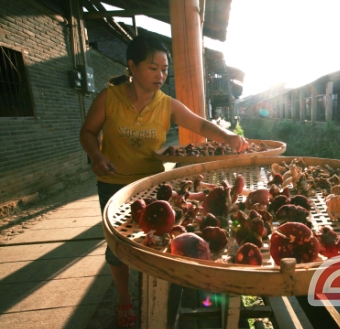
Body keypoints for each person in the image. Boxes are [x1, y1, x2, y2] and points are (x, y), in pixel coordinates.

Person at [79, 34, 248, 328]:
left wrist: (229, 136)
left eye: (165, 68)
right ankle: (124, 299)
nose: (161, 75)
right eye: (153, 68)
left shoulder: (166, 104)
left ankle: (158, 296)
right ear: (131, 66)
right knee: (117, 248)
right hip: (113, 185)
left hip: (151, 185)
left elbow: (200, 123)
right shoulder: (109, 98)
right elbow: (87, 133)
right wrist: (96, 155)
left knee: (153, 241)